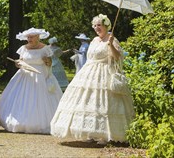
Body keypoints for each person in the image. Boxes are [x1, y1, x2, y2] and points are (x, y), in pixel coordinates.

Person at [50, 14, 135, 145]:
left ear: (106, 26)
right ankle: (91, 132)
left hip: (105, 72)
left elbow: (118, 57)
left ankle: (104, 135)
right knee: (88, 102)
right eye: (94, 25)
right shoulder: (94, 40)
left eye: (99, 25)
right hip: (89, 72)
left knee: (103, 104)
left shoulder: (112, 39)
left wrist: (111, 44)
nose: (96, 28)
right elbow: (90, 57)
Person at [0, 28, 63, 134]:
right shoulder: (23, 48)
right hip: (25, 76)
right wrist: (18, 63)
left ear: (38, 37)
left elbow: (50, 63)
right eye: (28, 37)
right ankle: (22, 121)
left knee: (41, 99)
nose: (29, 39)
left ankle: (42, 122)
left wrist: (47, 61)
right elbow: (21, 61)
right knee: (22, 98)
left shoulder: (45, 48)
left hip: (41, 76)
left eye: (31, 37)